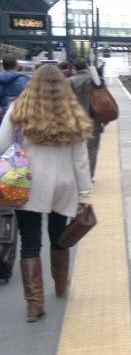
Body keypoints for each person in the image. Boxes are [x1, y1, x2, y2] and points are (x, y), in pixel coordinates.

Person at [0, 64, 93, 321]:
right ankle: (61, 283)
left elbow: (2, 146)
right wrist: (85, 194)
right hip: (62, 188)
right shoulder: (72, 114)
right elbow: (80, 160)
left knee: (30, 242)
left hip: (27, 187)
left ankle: (34, 304)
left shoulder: (17, 111)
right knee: (58, 237)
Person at [67, 58, 102, 177]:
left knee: (75, 147)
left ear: (74, 68)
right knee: (92, 147)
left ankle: (77, 174)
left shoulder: (69, 82)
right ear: (87, 66)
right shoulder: (95, 81)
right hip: (93, 118)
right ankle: (90, 175)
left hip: (74, 118)